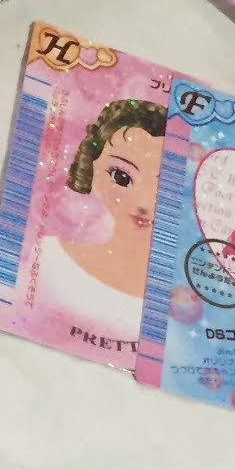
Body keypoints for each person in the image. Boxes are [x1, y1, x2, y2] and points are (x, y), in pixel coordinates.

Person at [35, 100, 166, 330]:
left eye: (164, 187)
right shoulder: (46, 259)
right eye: (121, 177)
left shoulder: (175, 300)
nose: (143, 203)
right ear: (92, 165)